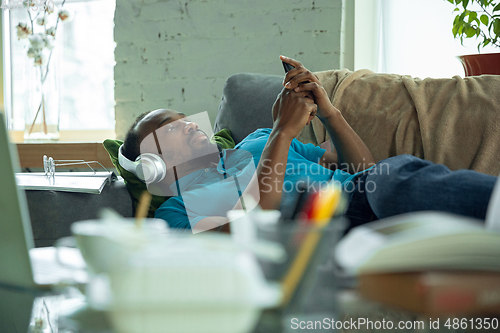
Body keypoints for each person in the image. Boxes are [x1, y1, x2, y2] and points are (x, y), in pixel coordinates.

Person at [119, 55, 497, 233]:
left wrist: (331, 114)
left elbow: (362, 170)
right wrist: (283, 133)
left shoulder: (259, 141)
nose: (188, 126)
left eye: (184, 119)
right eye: (172, 130)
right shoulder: (176, 211)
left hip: (372, 194)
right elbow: (258, 223)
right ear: (154, 165)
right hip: (328, 236)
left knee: (388, 181)